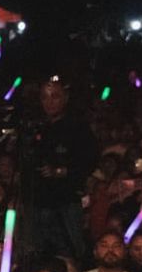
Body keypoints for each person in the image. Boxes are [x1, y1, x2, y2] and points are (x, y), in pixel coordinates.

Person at [18, 79, 96, 262]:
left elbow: (89, 161)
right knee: (34, 254)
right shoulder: (36, 127)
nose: (50, 102)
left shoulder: (78, 128)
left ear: (65, 98)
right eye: (45, 97)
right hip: (36, 202)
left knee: (69, 254)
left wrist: (60, 171)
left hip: (65, 202)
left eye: (55, 96)